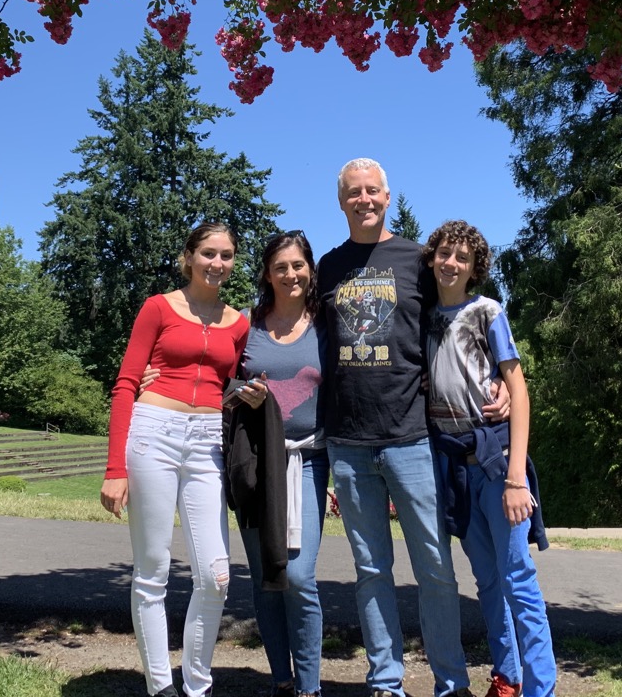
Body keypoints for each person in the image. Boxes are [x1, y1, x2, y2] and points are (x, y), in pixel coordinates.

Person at [317, 158, 478, 697]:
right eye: (353, 193)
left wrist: (496, 377)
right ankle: (385, 682)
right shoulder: (327, 267)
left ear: (387, 197)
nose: (364, 199)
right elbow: (297, 334)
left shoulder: (416, 260)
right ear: (341, 203)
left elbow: (457, 321)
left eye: (373, 191)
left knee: (435, 568)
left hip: (411, 436)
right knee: (371, 571)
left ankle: (450, 681)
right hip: (349, 441)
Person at [100, 221, 250, 697]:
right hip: (153, 434)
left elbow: (230, 385)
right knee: (153, 568)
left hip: (208, 441)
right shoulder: (158, 307)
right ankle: (161, 685)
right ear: (189, 257)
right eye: (208, 253)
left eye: (226, 255)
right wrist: (115, 469)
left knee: (215, 574)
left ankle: (197, 685)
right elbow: (125, 383)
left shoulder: (238, 322)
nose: (217, 264)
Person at [423, 221, 554, 697]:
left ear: (475, 267)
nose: (451, 263)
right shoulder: (424, 316)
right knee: (486, 580)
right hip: (453, 464)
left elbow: (517, 388)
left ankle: (542, 687)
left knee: (518, 577)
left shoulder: (488, 312)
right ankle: (508, 676)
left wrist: (517, 477)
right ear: (432, 257)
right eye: (443, 253)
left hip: (498, 463)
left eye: (462, 257)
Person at [226, 231, 328, 697]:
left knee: (300, 577)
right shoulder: (248, 324)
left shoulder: (328, 324)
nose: (291, 274)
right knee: (268, 578)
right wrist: (240, 393)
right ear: (267, 274)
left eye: (298, 265)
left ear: (310, 269)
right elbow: (220, 383)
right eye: (280, 266)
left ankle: (309, 686)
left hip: (308, 461)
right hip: (256, 463)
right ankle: (282, 681)